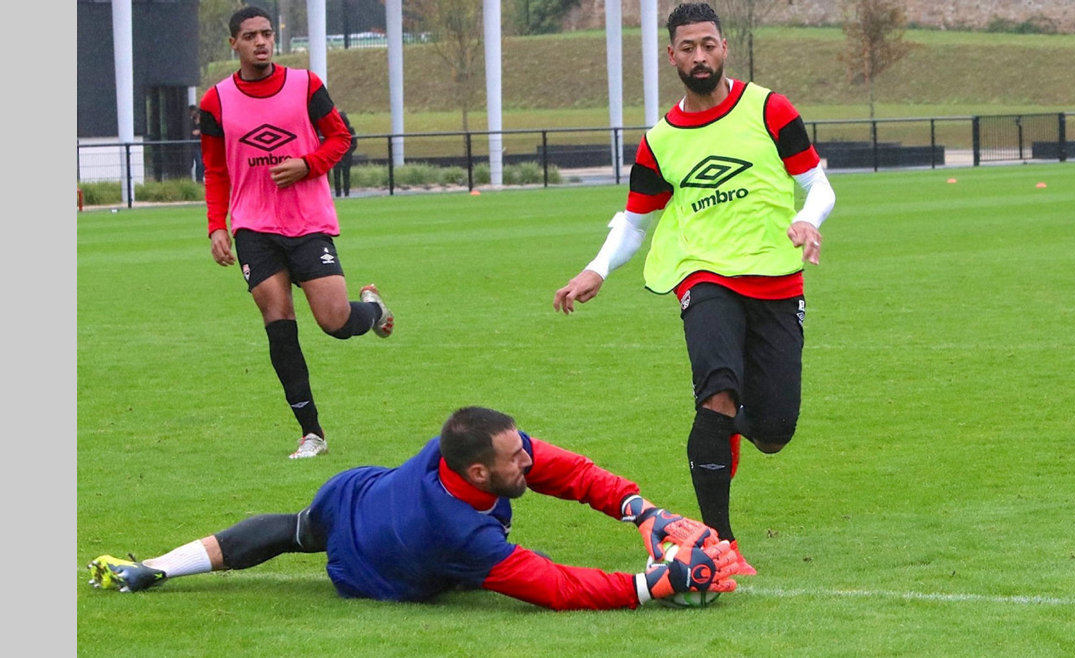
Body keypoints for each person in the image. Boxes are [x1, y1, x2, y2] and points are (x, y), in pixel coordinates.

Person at [552, 2, 836, 548]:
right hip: (702, 277)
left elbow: (817, 184)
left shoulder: (769, 110)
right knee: (717, 394)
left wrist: (806, 218)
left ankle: (727, 427)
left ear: (724, 48)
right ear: (672, 55)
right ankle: (719, 543)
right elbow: (635, 222)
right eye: (688, 47)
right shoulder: (660, 141)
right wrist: (597, 268)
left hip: (776, 279)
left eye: (708, 44)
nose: (699, 55)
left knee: (775, 432)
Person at [87, 406, 755, 610]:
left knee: (293, 531)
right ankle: (159, 570)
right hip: (364, 569)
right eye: (515, 461)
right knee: (303, 539)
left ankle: (155, 569)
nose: (529, 462)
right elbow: (550, 584)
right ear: (476, 471)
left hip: (351, 492)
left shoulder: (475, 450)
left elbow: (569, 472)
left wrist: (639, 509)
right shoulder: (460, 531)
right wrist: (651, 584)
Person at [198, 6, 396, 459]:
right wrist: (216, 226)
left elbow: (340, 139)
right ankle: (312, 434)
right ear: (234, 44)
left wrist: (307, 164)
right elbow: (214, 169)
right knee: (278, 324)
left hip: (306, 223)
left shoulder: (305, 85)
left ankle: (372, 311)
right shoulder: (216, 101)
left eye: (267, 34)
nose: (261, 42)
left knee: (334, 322)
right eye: (250, 36)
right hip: (253, 227)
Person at [333, 111, 357, 198]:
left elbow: (354, 144)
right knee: (338, 174)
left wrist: (347, 151)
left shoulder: (350, 130)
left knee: (345, 174)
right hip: (337, 156)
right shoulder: (335, 129)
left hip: (345, 155)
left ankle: (345, 193)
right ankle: (339, 193)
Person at [188, 104, 204, 182]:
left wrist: (200, 131)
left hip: (202, 144)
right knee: (199, 162)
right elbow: (191, 132)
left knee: (203, 163)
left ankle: (200, 178)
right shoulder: (191, 122)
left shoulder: (203, 121)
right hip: (195, 145)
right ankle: (199, 180)